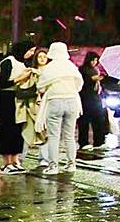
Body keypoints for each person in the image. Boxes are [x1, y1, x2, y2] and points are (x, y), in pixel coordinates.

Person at [36, 42, 84, 176]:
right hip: (72, 102)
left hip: (55, 101)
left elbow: (40, 86)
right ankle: (71, 164)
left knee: (53, 136)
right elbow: (79, 85)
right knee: (69, 136)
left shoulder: (49, 68)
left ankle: (53, 166)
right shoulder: (71, 66)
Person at [0, 41, 34, 174]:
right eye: (30, 50)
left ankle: (16, 160)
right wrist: (21, 78)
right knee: (6, 129)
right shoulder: (8, 61)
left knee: (17, 129)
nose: (31, 54)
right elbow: (3, 83)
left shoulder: (23, 63)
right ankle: (6, 163)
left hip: (18, 98)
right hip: (6, 98)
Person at [14, 48, 49, 167]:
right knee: (27, 131)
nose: (43, 59)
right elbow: (20, 85)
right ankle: (19, 157)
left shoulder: (51, 71)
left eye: (45, 56)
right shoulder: (30, 71)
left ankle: (44, 159)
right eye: (40, 56)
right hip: (31, 104)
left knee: (45, 133)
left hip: (45, 105)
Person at [78, 51, 108, 152]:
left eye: (96, 60)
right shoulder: (83, 69)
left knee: (99, 120)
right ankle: (84, 142)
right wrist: (98, 78)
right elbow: (89, 79)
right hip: (85, 98)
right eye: (93, 60)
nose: (94, 62)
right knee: (84, 121)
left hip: (95, 98)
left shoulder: (95, 70)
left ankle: (99, 141)